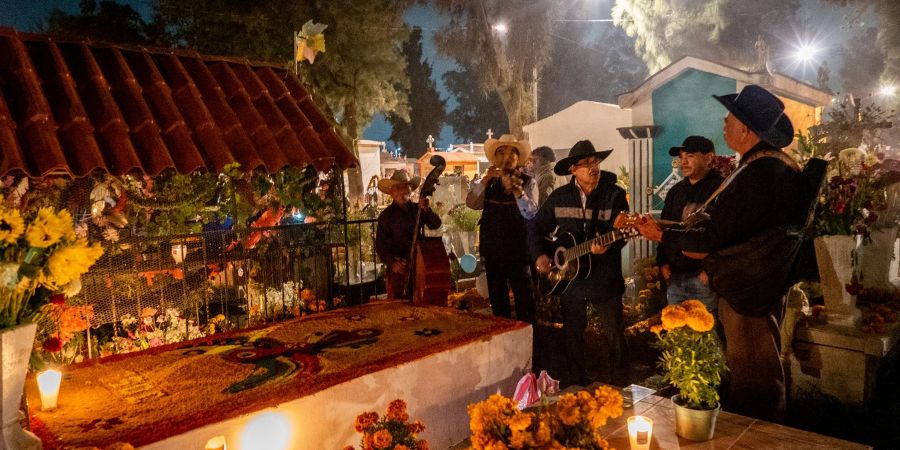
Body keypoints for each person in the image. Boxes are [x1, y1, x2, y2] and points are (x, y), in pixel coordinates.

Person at [634, 85, 804, 422]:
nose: (724, 124)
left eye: (729, 119)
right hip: (755, 287)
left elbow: (714, 236)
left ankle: (759, 438)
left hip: (750, 293)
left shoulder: (760, 174)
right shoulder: (766, 167)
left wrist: (662, 235)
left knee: (754, 376)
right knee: (749, 371)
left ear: (745, 129)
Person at [530, 140, 629, 387]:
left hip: (605, 278)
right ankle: (577, 383)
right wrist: (540, 254)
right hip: (571, 281)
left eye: (595, 162)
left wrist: (609, 244)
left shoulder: (614, 194)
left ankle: (620, 384)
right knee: (573, 334)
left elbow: (622, 232)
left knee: (614, 334)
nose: (592, 168)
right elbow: (536, 227)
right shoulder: (559, 197)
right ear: (573, 170)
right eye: (585, 164)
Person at [467, 134, 538, 324]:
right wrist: (484, 181)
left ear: (517, 158)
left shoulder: (528, 182)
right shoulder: (489, 182)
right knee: (499, 307)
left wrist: (517, 191)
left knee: (525, 304)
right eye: (500, 152)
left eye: (511, 153)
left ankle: (530, 347)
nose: (505, 158)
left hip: (518, 253)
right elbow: (472, 203)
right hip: (493, 254)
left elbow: (531, 213)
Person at [658, 136, 723, 316]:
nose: (683, 162)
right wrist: (662, 262)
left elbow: (724, 236)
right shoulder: (675, 192)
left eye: (690, 156)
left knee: (708, 337)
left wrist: (709, 270)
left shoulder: (721, 189)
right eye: (681, 156)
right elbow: (664, 228)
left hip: (703, 279)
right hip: (674, 277)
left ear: (708, 158)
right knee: (677, 336)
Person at [375, 170, 441, 299]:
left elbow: (435, 224)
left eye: (405, 187)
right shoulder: (386, 216)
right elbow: (380, 246)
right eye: (397, 188)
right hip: (398, 269)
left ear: (411, 190)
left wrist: (427, 209)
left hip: (420, 266)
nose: (402, 191)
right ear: (391, 193)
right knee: (398, 309)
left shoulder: (419, 209)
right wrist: (392, 263)